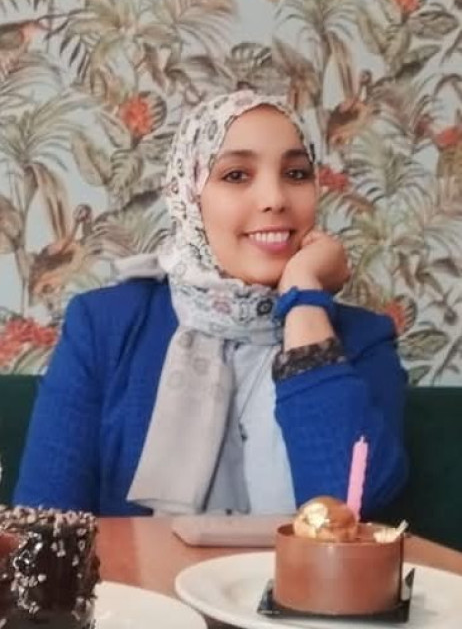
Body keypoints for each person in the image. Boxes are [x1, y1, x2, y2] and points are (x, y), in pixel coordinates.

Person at [14, 90, 408, 516]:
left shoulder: (361, 339)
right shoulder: (105, 326)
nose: (275, 198)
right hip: (137, 565)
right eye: (237, 175)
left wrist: (304, 297)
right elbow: (43, 523)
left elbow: (350, 515)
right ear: (189, 194)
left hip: (301, 567)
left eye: (296, 173)